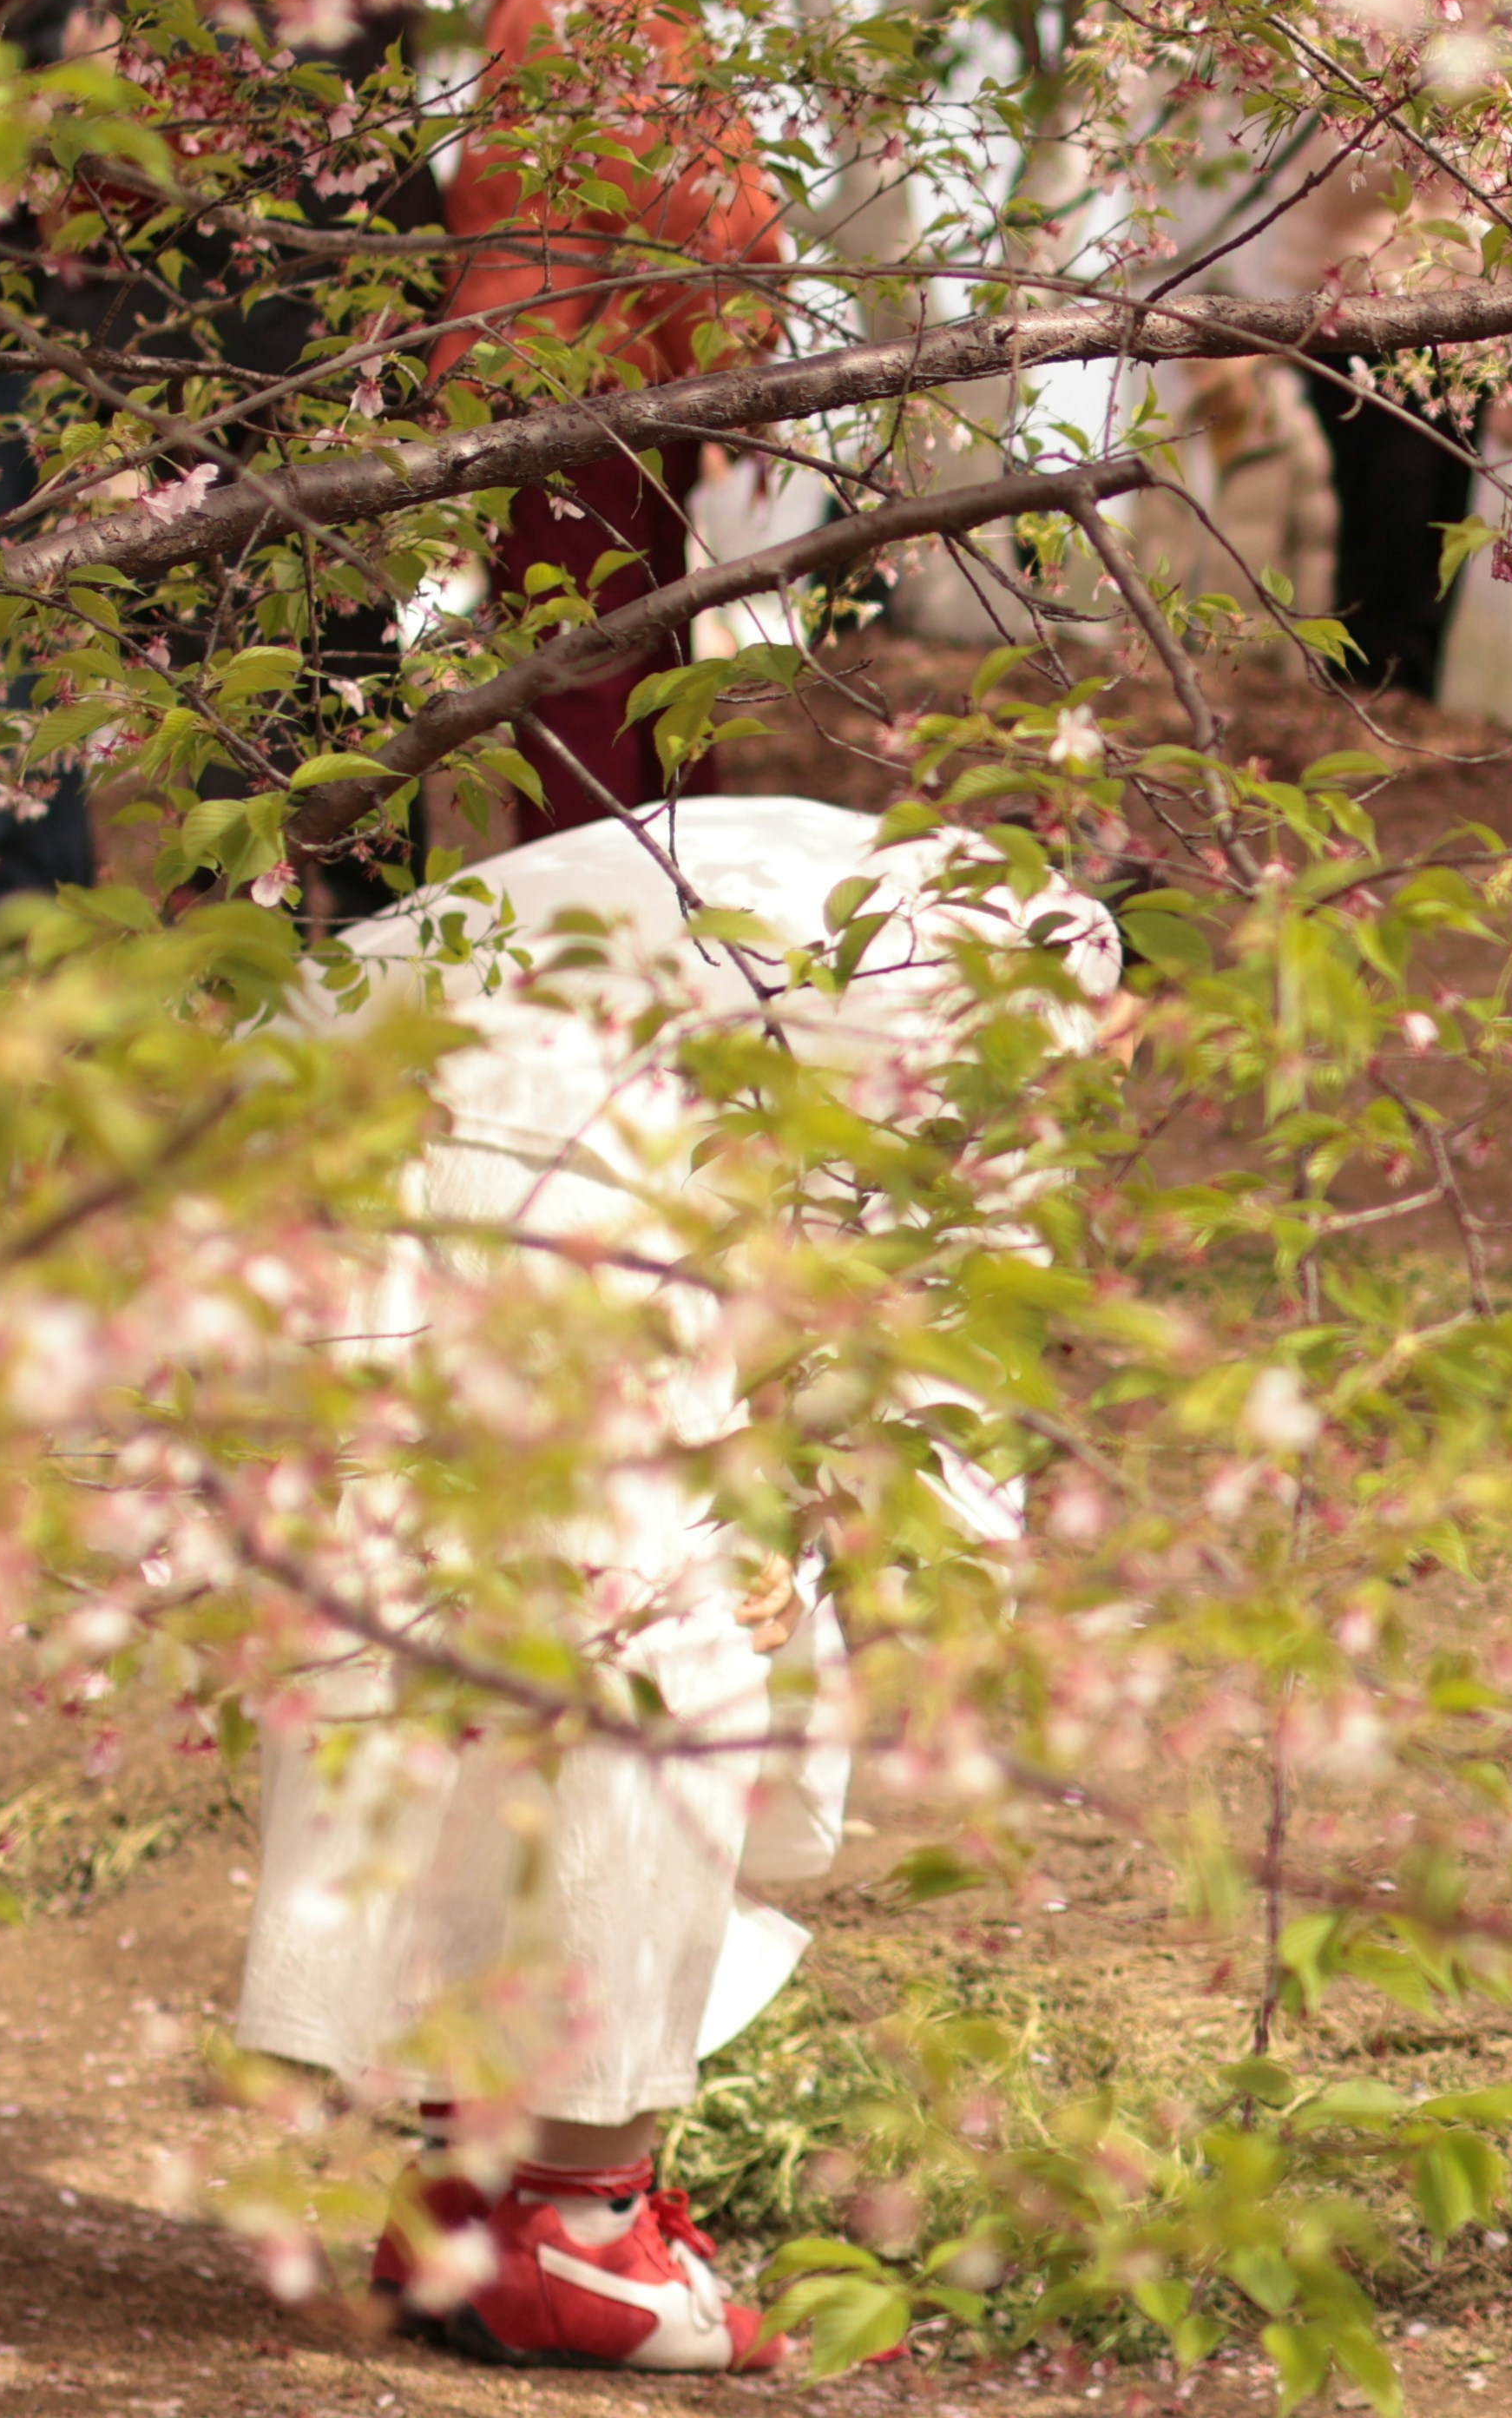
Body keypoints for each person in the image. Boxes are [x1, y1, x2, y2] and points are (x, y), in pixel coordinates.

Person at [243, 798, 1108, 2373]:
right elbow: (924, 1285)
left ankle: (475, 2185)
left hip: (328, 1140)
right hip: (539, 1186)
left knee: (476, 1665)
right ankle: (575, 2220)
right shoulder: (1028, 961)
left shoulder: (857, 876)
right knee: (656, 1662)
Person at [434, 0, 788, 820]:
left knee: (585, 670)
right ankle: (662, 882)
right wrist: (734, 362)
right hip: (605, 372)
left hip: (569, 378)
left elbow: (687, 202)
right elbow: (712, 212)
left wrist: (731, 364)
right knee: (636, 659)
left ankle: (606, 896)